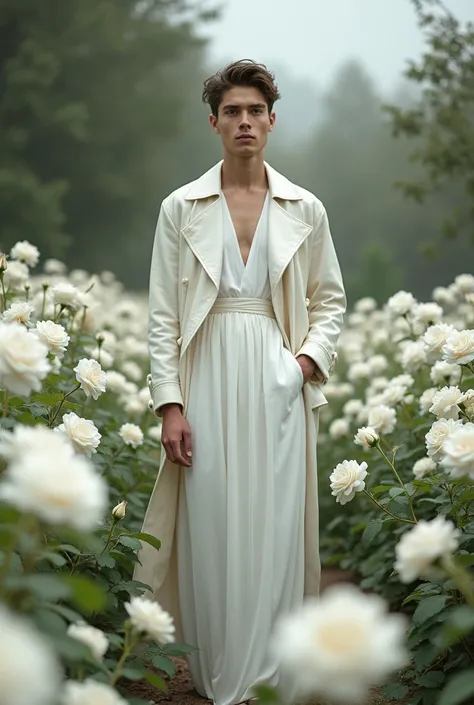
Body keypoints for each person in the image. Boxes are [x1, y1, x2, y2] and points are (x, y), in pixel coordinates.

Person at [135, 59, 346, 705]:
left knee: (277, 524)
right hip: (206, 374)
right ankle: (220, 667)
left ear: (272, 121)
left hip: (278, 376)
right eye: (233, 111)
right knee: (213, 523)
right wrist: (170, 404)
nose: (245, 121)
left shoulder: (305, 207)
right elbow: (163, 315)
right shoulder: (182, 206)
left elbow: (331, 300)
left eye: (255, 110)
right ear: (215, 123)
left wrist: (303, 365)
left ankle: (273, 671)